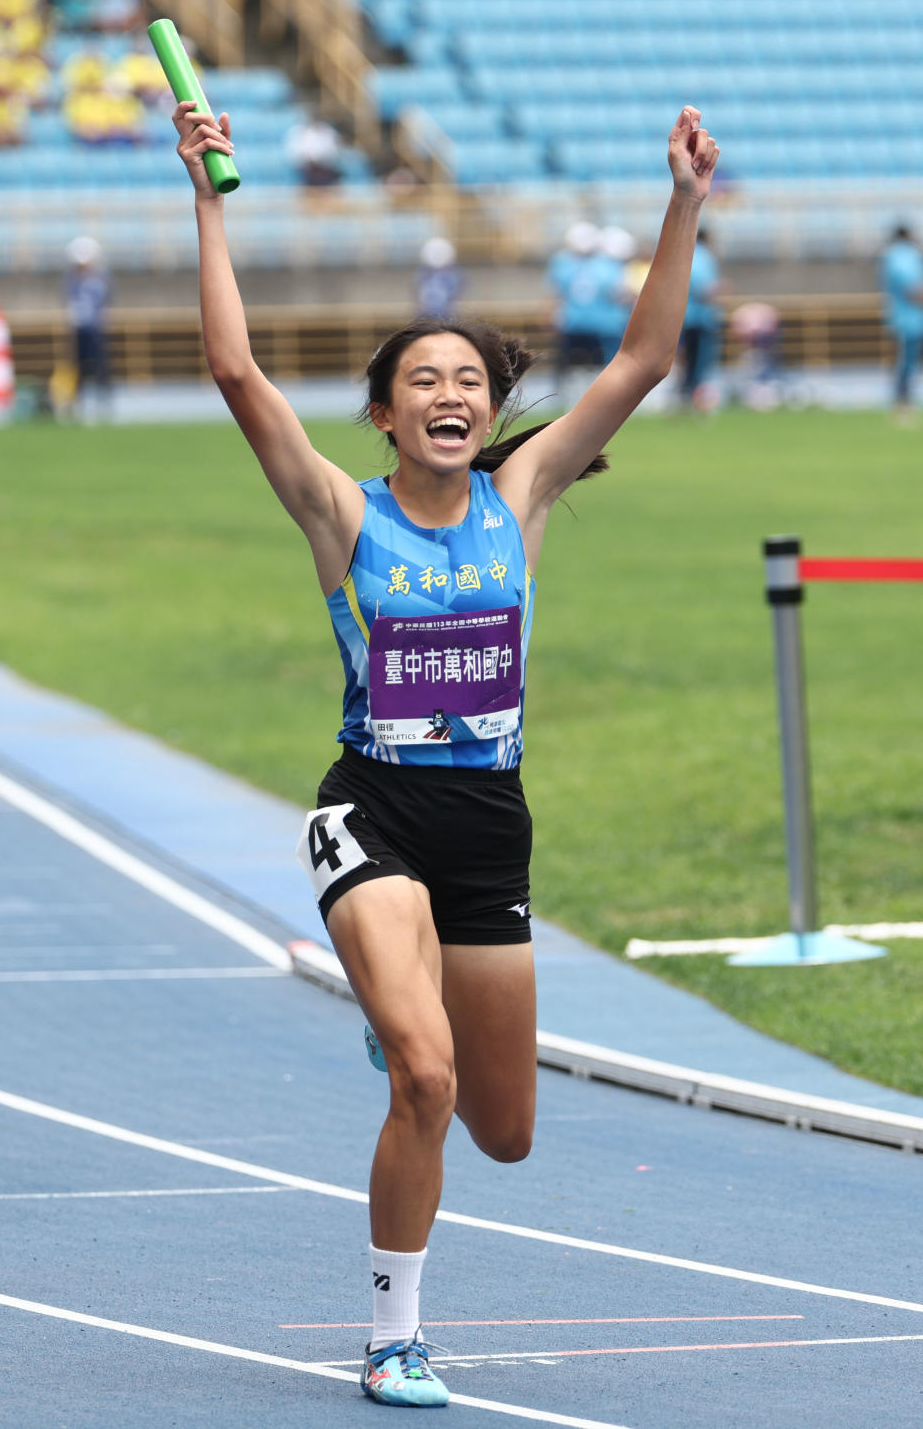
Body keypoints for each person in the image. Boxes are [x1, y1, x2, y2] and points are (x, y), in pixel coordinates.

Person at [172, 96, 718, 1407]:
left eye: (468, 380)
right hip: (372, 811)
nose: (450, 396)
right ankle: (394, 1336)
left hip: (489, 824)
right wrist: (205, 192)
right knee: (424, 1074)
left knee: (507, 1130)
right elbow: (240, 377)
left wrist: (686, 200)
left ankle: (398, 1012)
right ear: (381, 414)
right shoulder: (340, 513)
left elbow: (641, 361)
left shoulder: (520, 496)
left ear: (490, 408)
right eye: (423, 380)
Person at [545, 221, 630, 399]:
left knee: (571, 363)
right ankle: (608, 394)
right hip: (600, 323)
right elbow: (618, 293)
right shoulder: (606, 264)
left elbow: (555, 294)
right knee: (603, 365)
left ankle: (561, 393)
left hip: (578, 322)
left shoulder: (563, 262)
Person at [63, 235, 112, 419]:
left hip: (96, 329)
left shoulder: (99, 279)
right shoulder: (71, 280)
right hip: (79, 329)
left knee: (101, 367)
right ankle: (76, 405)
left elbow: (104, 300)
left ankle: (103, 404)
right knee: (77, 369)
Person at [879, 224, 923, 419]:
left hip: (905, 318)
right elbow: (913, 289)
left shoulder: (892, 256)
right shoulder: (902, 256)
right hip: (911, 319)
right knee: (906, 363)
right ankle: (902, 403)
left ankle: (902, 402)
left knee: (906, 363)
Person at [678, 226, 722, 409]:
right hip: (700, 316)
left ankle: (687, 395)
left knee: (687, 360)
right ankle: (696, 399)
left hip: (685, 316)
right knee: (700, 362)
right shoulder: (703, 257)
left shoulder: (684, 254)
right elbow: (703, 287)